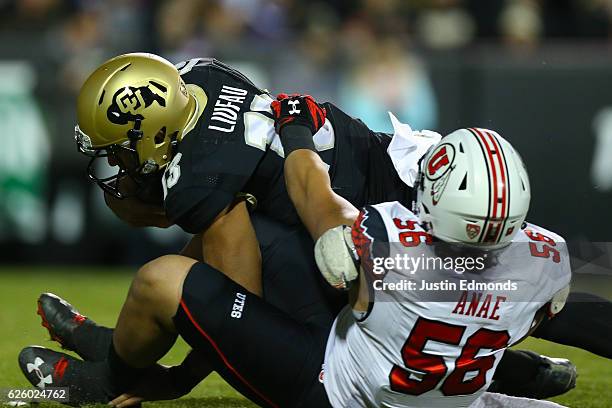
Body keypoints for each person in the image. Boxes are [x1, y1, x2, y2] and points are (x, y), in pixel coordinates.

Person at [19, 106, 574, 408]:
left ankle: (114, 375)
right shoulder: (542, 258)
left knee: (170, 275)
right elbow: (540, 311)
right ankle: (525, 373)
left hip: (333, 385)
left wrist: (295, 126)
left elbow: (313, 194)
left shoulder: (386, 231)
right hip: (421, 376)